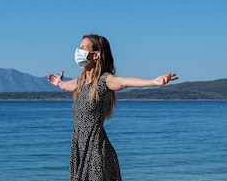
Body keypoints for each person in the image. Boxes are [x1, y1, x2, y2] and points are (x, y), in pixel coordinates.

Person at [47, 34, 178, 181]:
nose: (78, 51)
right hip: (79, 148)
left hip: (96, 149)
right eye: (79, 47)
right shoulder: (81, 81)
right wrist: (59, 83)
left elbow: (124, 82)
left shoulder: (104, 80)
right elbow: (66, 86)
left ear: (96, 55)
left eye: (83, 48)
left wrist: (153, 82)